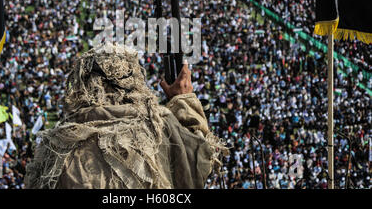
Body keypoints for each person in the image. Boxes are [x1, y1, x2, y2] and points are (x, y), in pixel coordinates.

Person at [24, 43, 227, 189]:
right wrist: (183, 102)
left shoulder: (56, 147)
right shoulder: (160, 127)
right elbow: (198, 161)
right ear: (134, 79)